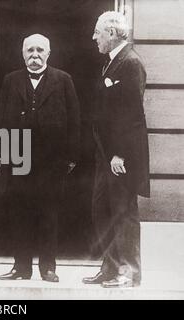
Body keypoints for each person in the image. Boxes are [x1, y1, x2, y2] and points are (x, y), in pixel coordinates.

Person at [0, 34, 80, 282]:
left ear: (48, 54)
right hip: (18, 157)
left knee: (48, 214)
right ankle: (21, 268)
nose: (35, 55)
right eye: (30, 50)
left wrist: (71, 156)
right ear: (22, 54)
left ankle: (48, 268)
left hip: (51, 160)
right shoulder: (11, 80)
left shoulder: (63, 80)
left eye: (40, 50)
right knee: (19, 212)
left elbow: (75, 120)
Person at [82, 11, 150, 288]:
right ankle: (110, 267)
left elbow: (132, 114)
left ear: (111, 33)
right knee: (102, 210)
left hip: (120, 157)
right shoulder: (112, 64)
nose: (94, 37)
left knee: (123, 212)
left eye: (98, 32)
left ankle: (129, 272)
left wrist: (119, 154)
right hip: (106, 156)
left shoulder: (130, 63)